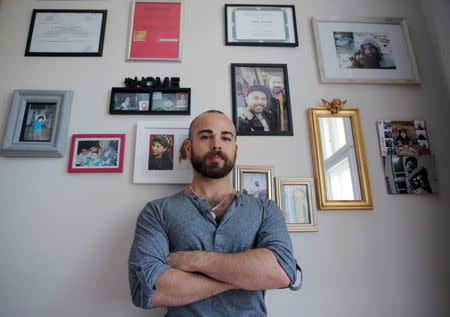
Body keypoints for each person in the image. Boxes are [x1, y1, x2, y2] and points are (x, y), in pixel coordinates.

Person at [129, 110, 302, 316]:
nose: (216, 145)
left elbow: (281, 272)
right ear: (188, 147)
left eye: (225, 138)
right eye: (206, 136)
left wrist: (194, 260)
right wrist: (246, 276)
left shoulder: (266, 210)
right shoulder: (157, 212)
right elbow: (148, 290)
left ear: (235, 150)